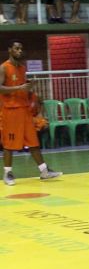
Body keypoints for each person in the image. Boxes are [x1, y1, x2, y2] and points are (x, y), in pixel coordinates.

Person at [0, 40, 62, 185]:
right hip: (11, 111)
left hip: (24, 110)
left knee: (33, 142)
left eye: (21, 48)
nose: (19, 51)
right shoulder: (3, 67)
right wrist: (19, 88)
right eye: (16, 48)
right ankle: (8, 174)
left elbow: (21, 87)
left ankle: (44, 171)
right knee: (9, 144)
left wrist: (29, 85)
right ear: (10, 50)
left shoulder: (22, 68)